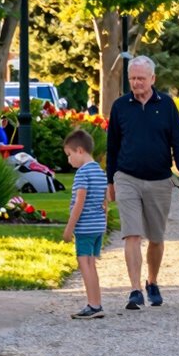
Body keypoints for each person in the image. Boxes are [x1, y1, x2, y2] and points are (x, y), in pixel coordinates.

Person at [106, 55, 179, 310]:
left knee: (156, 236)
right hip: (127, 177)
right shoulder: (121, 106)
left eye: (141, 78)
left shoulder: (166, 105)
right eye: (132, 78)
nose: (136, 83)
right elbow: (112, 147)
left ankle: (152, 281)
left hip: (159, 179)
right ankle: (134, 290)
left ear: (153, 79)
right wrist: (111, 182)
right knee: (131, 234)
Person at [62, 129, 108, 319]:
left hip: (85, 227)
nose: (69, 160)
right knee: (91, 264)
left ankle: (93, 304)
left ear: (79, 151)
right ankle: (97, 302)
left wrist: (69, 228)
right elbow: (106, 200)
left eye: (69, 155)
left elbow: (79, 203)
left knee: (84, 263)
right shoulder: (99, 171)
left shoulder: (82, 174)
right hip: (98, 226)